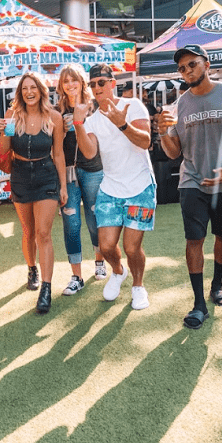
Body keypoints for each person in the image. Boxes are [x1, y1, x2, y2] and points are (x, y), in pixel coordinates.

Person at [158, 44, 222, 329]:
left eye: (192, 64)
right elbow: (173, 153)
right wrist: (163, 130)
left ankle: (217, 284)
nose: (187, 71)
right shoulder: (179, 105)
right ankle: (199, 304)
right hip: (192, 182)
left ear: (207, 64)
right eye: (182, 68)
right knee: (194, 239)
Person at [73, 63, 155, 311]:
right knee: (106, 245)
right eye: (93, 84)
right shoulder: (92, 120)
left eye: (102, 82)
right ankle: (118, 272)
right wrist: (78, 124)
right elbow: (88, 152)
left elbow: (145, 141)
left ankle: (138, 286)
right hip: (110, 187)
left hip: (140, 185)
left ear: (112, 83)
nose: (97, 87)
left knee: (132, 247)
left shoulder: (134, 105)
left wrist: (122, 124)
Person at [0, 71, 66, 313]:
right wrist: (4, 131)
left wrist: (63, 187)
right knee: (28, 233)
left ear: (40, 91)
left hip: (46, 175)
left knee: (43, 233)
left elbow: (58, 154)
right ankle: (32, 268)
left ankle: (46, 288)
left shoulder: (54, 117)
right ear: (20, 93)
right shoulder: (12, 116)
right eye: (25, 88)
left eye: (33, 87)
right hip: (21, 176)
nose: (29, 92)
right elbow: (3, 151)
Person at [55, 64, 106, 296]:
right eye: (66, 81)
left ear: (81, 82)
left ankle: (99, 259)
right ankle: (76, 276)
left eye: (73, 80)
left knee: (95, 219)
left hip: (93, 168)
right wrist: (63, 130)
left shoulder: (94, 106)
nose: (70, 85)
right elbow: (54, 147)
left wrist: (82, 121)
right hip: (68, 172)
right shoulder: (56, 111)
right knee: (71, 223)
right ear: (61, 86)